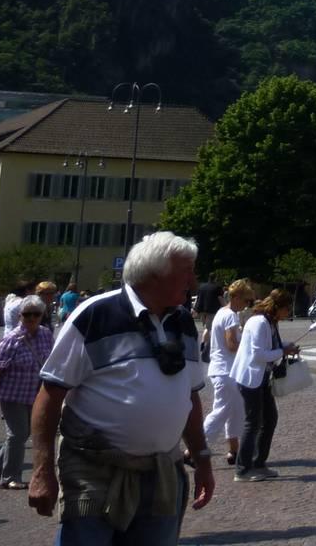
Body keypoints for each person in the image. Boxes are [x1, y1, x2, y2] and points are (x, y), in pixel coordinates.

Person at [28, 231, 216, 539]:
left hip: (161, 472)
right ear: (156, 274)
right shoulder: (95, 315)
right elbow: (50, 394)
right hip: (94, 471)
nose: (193, 281)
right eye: (186, 271)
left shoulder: (183, 322)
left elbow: (189, 397)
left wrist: (202, 458)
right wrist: (41, 470)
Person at [0, 295, 55, 489]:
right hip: (12, 394)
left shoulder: (46, 334)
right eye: (27, 314)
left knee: (24, 432)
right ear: (20, 316)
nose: (31, 318)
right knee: (18, 434)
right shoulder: (12, 339)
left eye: (36, 314)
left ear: (42, 315)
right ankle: (10, 477)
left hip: (35, 393)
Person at [231, 288, 298, 481]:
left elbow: (270, 346)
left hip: (261, 378)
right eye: (287, 309)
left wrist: (285, 346)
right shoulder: (260, 322)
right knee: (253, 422)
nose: (288, 314)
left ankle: (258, 463)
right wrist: (283, 352)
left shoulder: (269, 322)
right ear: (278, 307)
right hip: (251, 378)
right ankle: (243, 469)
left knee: (269, 419)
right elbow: (259, 354)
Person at [203, 279, 253, 467]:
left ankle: (234, 449)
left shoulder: (220, 313)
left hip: (222, 369)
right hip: (227, 370)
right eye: (246, 300)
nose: (247, 304)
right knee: (222, 410)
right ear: (236, 297)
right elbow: (232, 344)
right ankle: (193, 449)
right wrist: (249, 349)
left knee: (234, 410)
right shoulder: (231, 316)